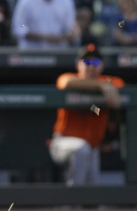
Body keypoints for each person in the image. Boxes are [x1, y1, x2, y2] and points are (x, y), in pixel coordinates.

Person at [50, 44, 122, 186]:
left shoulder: (109, 81)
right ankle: (72, 200)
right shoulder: (70, 78)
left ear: (101, 65)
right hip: (63, 143)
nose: (91, 66)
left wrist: (105, 87)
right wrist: (100, 86)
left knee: (94, 197)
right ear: (78, 65)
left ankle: (80, 202)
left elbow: (118, 88)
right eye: (86, 62)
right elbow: (65, 82)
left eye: (95, 62)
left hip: (93, 149)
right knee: (82, 149)